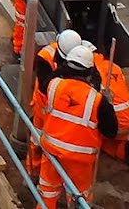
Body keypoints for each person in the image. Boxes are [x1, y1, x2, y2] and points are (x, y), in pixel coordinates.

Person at [37, 45, 117, 209]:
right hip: (79, 159)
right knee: (79, 196)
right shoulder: (97, 100)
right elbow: (111, 131)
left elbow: (47, 82)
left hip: (52, 152)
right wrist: (108, 104)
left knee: (47, 191)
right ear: (90, 72)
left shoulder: (53, 86)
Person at [29, 29, 84, 174]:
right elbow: (44, 85)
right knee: (37, 142)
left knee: (58, 144)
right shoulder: (45, 57)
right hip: (43, 107)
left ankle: (53, 171)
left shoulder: (77, 57)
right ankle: (33, 171)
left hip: (62, 110)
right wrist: (63, 71)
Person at [87, 41, 129, 165]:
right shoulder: (114, 67)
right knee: (112, 140)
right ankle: (123, 150)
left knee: (87, 123)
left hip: (113, 121)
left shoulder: (92, 74)